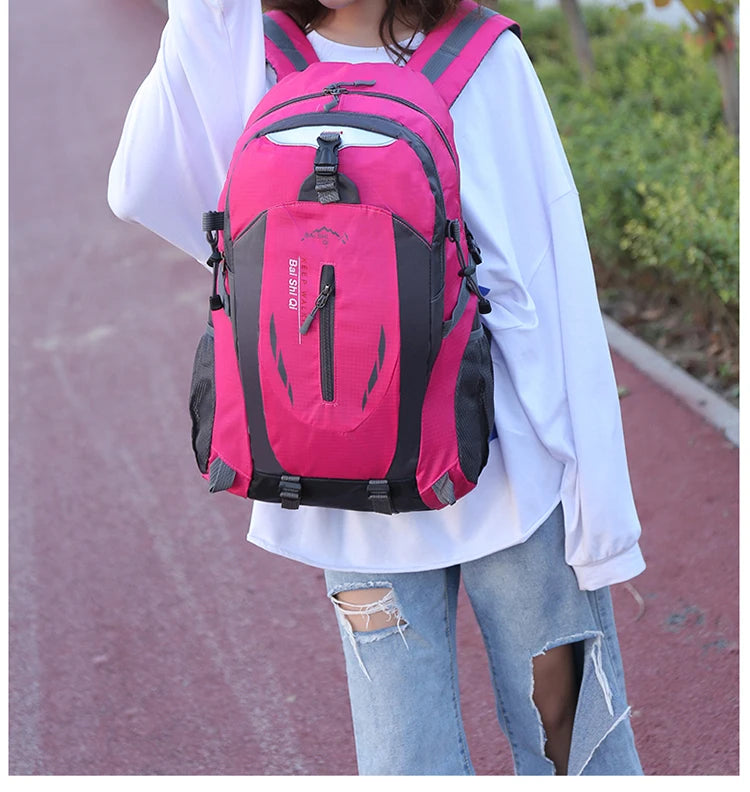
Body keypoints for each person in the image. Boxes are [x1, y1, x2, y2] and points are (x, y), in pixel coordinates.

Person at [108, 0, 646, 776]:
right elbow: (547, 277)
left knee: (406, 760)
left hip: (345, 488)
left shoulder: (258, 65)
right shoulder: (481, 57)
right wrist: (600, 513)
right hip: (507, 476)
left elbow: (142, 189)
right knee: (570, 744)